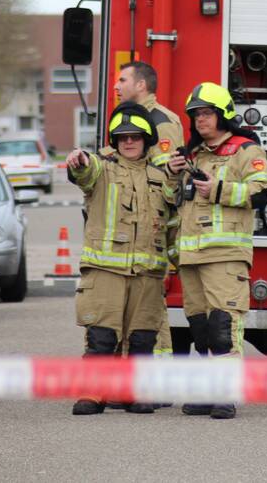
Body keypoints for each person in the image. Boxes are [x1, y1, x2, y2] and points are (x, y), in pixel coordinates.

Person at [166, 82, 267, 420]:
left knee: (224, 325)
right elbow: (174, 200)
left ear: (224, 115)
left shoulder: (245, 150)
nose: (200, 120)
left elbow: (262, 192)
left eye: (207, 113)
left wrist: (220, 189)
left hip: (225, 256)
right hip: (191, 257)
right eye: (196, 114)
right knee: (201, 329)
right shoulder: (192, 156)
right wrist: (171, 173)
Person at [67, 102, 173, 416]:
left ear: (146, 139)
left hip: (147, 273)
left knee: (142, 338)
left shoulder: (161, 175)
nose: (129, 141)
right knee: (101, 335)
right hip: (105, 269)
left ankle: (134, 392)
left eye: (135, 136)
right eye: (122, 136)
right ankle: (92, 393)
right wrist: (79, 161)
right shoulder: (102, 168)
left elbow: (172, 220)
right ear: (114, 140)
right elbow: (84, 173)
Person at [114, 61, 184, 358]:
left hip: (153, 224)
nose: (116, 87)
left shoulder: (162, 120)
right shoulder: (132, 118)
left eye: (122, 80)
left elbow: (168, 177)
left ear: (141, 85)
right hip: (130, 224)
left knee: (152, 308)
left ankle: (157, 378)